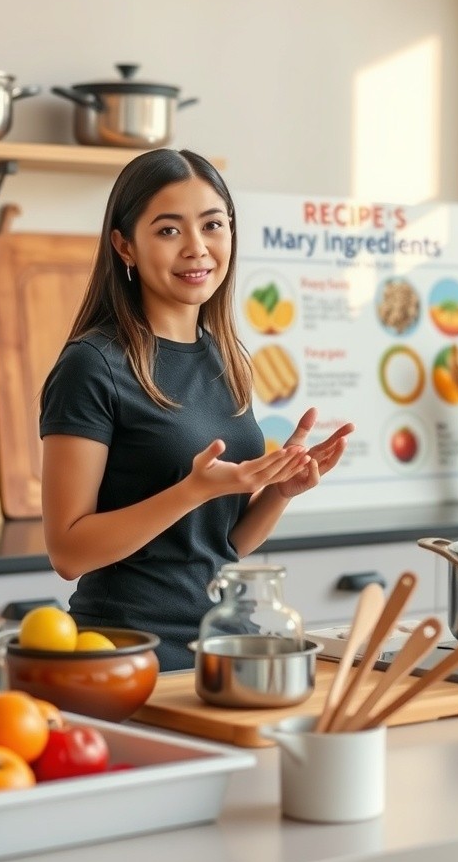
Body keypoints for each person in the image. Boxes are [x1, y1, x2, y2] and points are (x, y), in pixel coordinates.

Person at [40, 149, 355, 671]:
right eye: (168, 231)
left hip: (225, 648)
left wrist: (278, 491)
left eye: (213, 225)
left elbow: (220, 547)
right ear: (125, 246)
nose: (197, 249)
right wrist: (194, 488)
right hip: (130, 658)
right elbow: (68, 553)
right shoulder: (92, 365)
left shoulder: (224, 357)